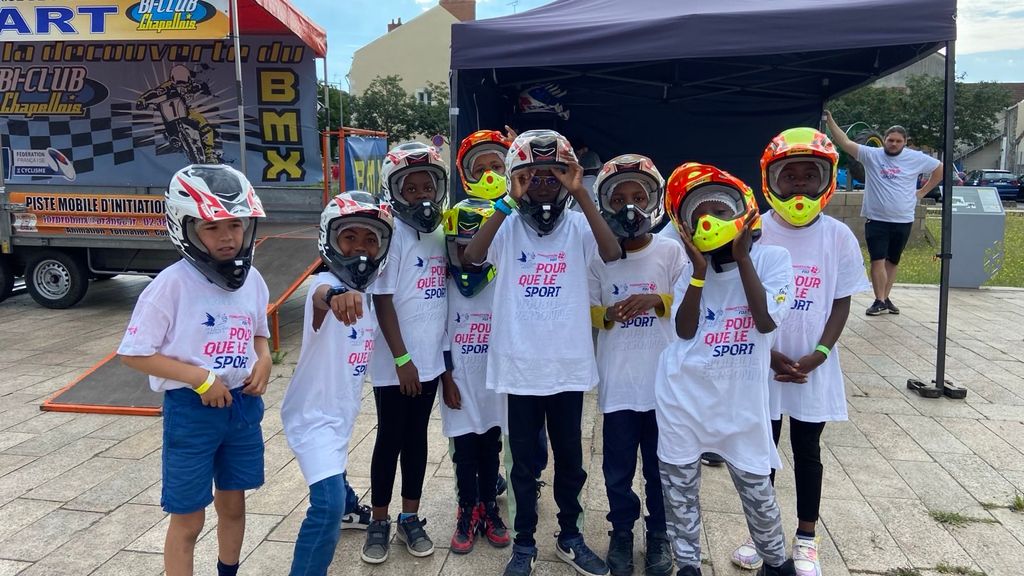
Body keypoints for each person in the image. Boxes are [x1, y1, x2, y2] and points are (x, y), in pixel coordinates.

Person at [463, 129, 622, 576]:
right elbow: (472, 256)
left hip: (567, 367)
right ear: (517, 178)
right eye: (533, 177)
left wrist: (581, 193)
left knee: (571, 461)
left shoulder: (578, 225)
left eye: (554, 177)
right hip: (520, 367)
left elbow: (611, 252)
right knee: (523, 465)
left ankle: (570, 537)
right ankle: (524, 543)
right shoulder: (507, 224)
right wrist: (506, 202)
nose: (544, 185)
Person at [725, 128, 870, 575]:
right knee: (760, 451)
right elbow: (740, 297)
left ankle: (807, 538)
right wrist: (767, 353)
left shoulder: (838, 236)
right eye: (791, 176)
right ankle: (762, 533)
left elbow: (841, 300)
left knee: (808, 450)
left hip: (812, 365)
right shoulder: (755, 231)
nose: (801, 184)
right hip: (762, 363)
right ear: (771, 179)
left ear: (828, 180)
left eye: (811, 175)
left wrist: (820, 353)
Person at [118, 164, 271, 576]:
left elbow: (259, 332)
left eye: (235, 225)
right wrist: (199, 378)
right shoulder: (171, 285)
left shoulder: (253, 279)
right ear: (185, 227)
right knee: (189, 518)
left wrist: (264, 358)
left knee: (234, 505)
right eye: (211, 227)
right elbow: (134, 353)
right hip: (192, 412)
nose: (227, 236)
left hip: (241, 408)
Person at [656, 162, 796, 576]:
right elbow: (684, 331)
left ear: (743, 213)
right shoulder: (690, 270)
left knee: (758, 493)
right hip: (684, 398)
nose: (710, 223)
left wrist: (742, 258)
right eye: (699, 217)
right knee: (680, 495)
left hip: (741, 404)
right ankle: (688, 565)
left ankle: (776, 563)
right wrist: (699, 274)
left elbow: (765, 321)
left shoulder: (773, 259)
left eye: (719, 212)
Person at [282, 192, 394, 575]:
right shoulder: (327, 284)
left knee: (337, 470)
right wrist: (333, 296)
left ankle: (348, 505)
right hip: (312, 419)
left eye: (370, 239)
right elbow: (318, 295)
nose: (360, 248)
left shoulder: (369, 293)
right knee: (325, 505)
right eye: (349, 237)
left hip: (340, 414)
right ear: (330, 240)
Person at [588, 155, 682, 576]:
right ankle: (622, 532)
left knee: (661, 469)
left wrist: (656, 300)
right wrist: (609, 314)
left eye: (639, 197)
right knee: (618, 470)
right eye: (619, 198)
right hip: (619, 385)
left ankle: (659, 533)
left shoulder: (670, 251)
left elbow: (690, 304)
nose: (630, 206)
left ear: (654, 201)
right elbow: (589, 310)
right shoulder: (599, 258)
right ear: (605, 204)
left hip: (662, 386)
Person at [362, 144, 450, 564]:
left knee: (417, 439)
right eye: (410, 189)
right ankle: (378, 520)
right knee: (389, 439)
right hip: (396, 364)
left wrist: (440, 363)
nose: (420, 195)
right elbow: (382, 299)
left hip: (428, 359)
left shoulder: (440, 232)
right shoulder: (392, 233)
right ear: (395, 191)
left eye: (426, 187)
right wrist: (401, 359)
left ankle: (409, 518)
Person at [441, 198, 512, 554]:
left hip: (491, 385)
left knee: (490, 448)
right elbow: (440, 336)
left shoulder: (500, 286)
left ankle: (489, 508)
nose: (470, 256)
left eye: (478, 246)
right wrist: (447, 380)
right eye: (461, 247)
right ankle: (467, 510)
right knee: (464, 453)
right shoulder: (446, 287)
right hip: (459, 384)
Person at [824, 111, 942, 316]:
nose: (893, 144)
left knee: (893, 261)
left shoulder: (915, 158)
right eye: (890, 140)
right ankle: (878, 299)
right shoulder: (872, 155)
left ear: (905, 142)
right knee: (877, 259)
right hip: (876, 218)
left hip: (903, 218)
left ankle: (885, 298)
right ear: (884, 140)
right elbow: (845, 142)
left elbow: (939, 168)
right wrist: (830, 120)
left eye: (898, 141)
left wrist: (922, 192)